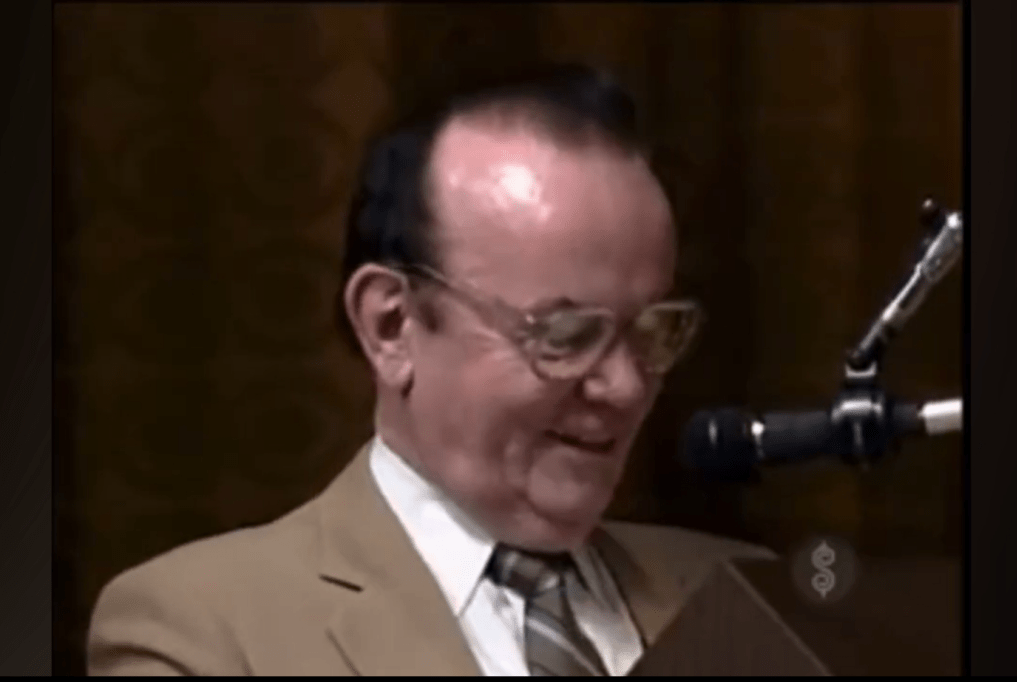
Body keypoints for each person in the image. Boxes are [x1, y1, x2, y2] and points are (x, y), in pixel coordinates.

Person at [87, 63, 774, 676]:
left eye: (653, 330)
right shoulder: (203, 629)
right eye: (565, 335)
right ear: (392, 325)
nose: (625, 386)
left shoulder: (748, 595)